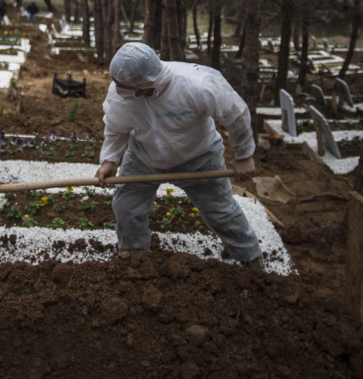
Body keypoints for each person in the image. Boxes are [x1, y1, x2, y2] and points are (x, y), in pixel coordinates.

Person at [94, 42, 264, 271]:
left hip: (199, 157)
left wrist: (244, 155)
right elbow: (116, 127)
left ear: (147, 82)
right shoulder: (121, 94)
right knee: (127, 206)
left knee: (221, 211)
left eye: (123, 85)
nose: (117, 89)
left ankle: (252, 261)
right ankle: (133, 258)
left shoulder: (196, 85)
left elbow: (236, 113)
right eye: (117, 83)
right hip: (145, 158)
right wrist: (110, 159)